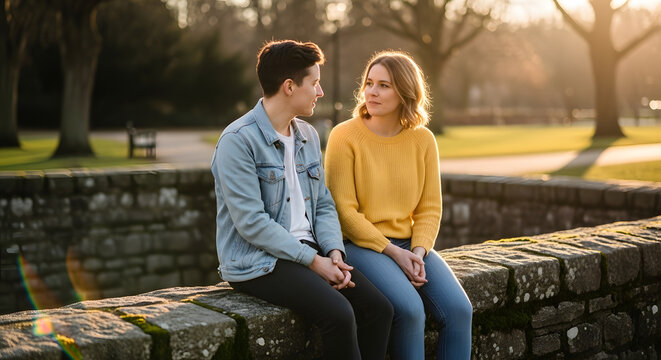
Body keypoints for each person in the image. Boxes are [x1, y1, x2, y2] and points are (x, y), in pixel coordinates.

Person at [211, 40, 393, 360]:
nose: (320, 92)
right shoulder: (237, 142)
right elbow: (252, 223)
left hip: (310, 250)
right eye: (315, 83)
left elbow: (322, 203)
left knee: (380, 309)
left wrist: (334, 251)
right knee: (338, 315)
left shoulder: (307, 135)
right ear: (290, 87)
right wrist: (314, 262)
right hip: (259, 261)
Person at [324, 50, 473, 360]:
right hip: (362, 245)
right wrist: (394, 253)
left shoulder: (423, 139)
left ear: (405, 91)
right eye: (369, 83)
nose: (372, 92)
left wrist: (417, 252)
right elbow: (343, 212)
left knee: (459, 310)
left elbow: (430, 207)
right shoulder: (344, 136)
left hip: (409, 244)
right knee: (410, 310)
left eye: (384, 85)